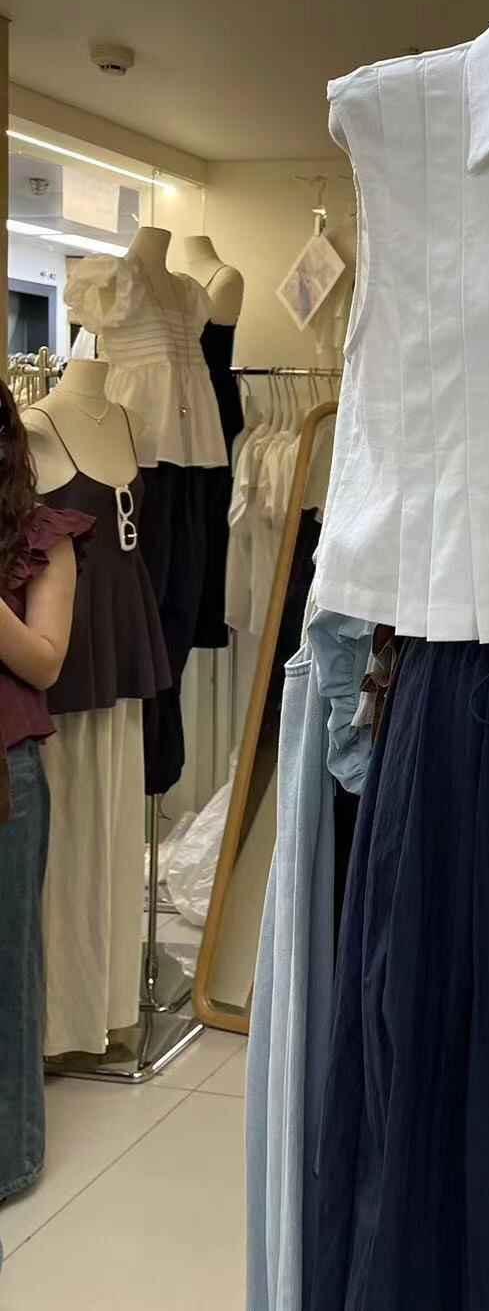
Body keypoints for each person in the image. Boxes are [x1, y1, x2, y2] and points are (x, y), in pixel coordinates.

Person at [0, 377, 92, 1206]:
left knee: (7, 964)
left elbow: (46, 660)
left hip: (7, 773)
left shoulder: (41, 537)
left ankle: (11, 1157)